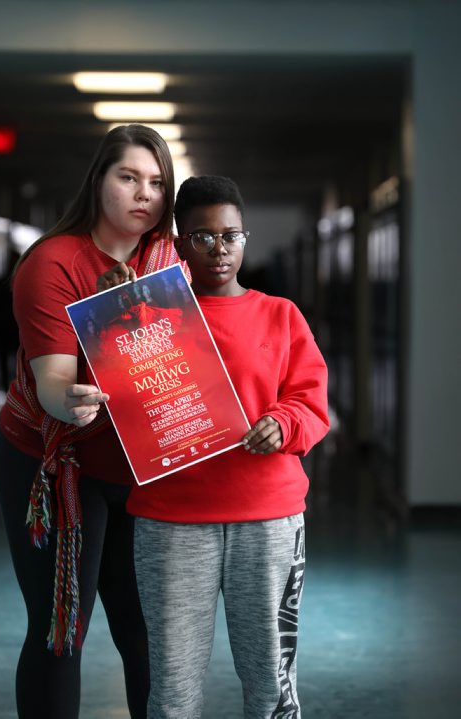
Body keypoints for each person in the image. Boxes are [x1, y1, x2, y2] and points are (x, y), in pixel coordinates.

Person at [0, 124, 184, 719]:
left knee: (149, 631)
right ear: (98, 181)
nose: (143, 193)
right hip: (52, 464)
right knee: (61, 631)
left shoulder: (169, 261)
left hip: (136, 465)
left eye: (155, 182)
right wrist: (68, 399)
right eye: (128, 177)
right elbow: (52, 381)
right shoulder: (53, 261)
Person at [127, 175, 330, 718]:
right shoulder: (152, 319)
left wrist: (283, 423)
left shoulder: (280, 315)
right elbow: (125, 402)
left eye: (231, 236)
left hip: (267, 519)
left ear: (245, 238)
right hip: (172, 520)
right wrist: (116, 315)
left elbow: (312, 404)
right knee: (171, 685)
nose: (220, 250)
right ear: (178, 241)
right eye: (203, 237)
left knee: (271, 677)